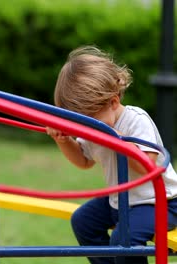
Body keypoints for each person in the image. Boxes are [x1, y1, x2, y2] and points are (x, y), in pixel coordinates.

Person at [46, 46, 177, 264]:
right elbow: (84, 160)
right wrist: (64, 140)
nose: (83, 128)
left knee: (123, 238)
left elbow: (147, 167)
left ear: (113, 102)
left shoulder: (136, 120)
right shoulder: (93, 126)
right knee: (83, 221)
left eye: (87, 120)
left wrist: (117, 141)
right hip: (120, 201)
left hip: (159, 201)